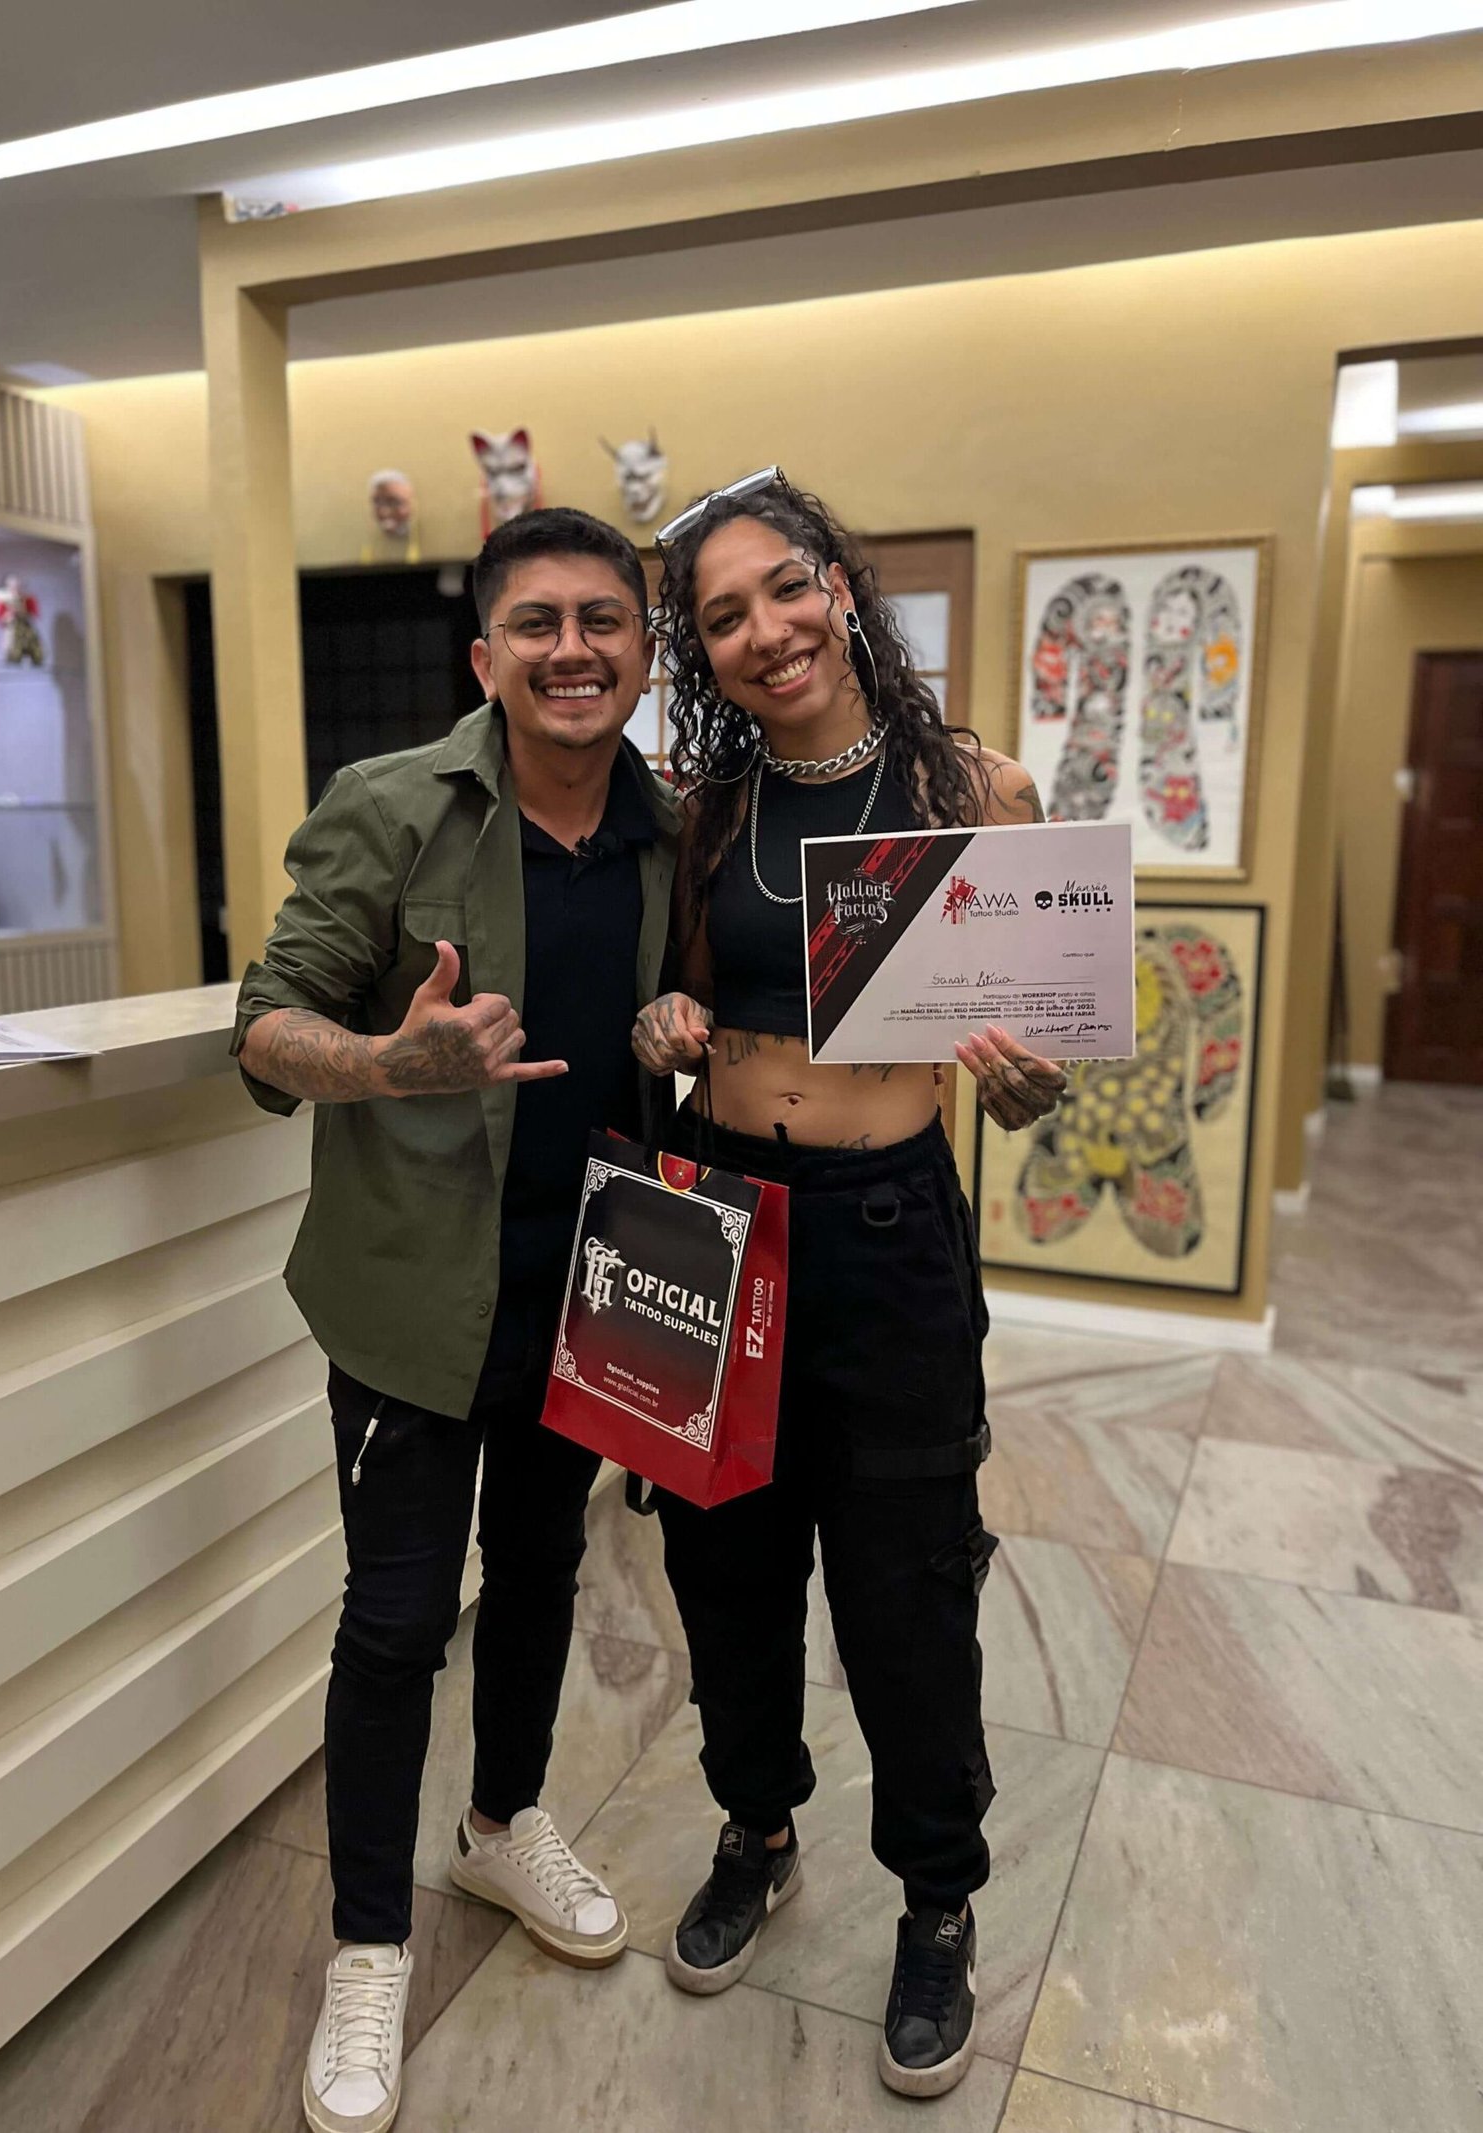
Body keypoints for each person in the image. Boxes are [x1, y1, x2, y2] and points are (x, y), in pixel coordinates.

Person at [234, 507, 677, 2133]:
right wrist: (387, 1062)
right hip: (415, 1297)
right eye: (538, 623)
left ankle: (499, 1826)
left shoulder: (666, 828)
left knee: (546, 1570)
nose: (574, 648)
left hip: (589, 1293)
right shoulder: (391, 806)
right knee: (398, 1619)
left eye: (605, 620)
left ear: (644, 651)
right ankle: (369, 1943)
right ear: (486, 656)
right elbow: (262, 1024)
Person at [630, 470, 1065, 2101]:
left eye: (784, 588)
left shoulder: (975, 788)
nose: (764, 630)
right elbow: (679, 1011)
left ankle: (938, 1898)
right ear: (704, 655)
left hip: (888, 1234)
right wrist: (664, 1029)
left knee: (906, 1586)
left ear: (839, 585)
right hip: (722, 1220)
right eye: (721, 617)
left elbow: (1036, 1056)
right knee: (725, 1564)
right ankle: (756, 1825)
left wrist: (1031, 1084)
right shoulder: (712, 814)